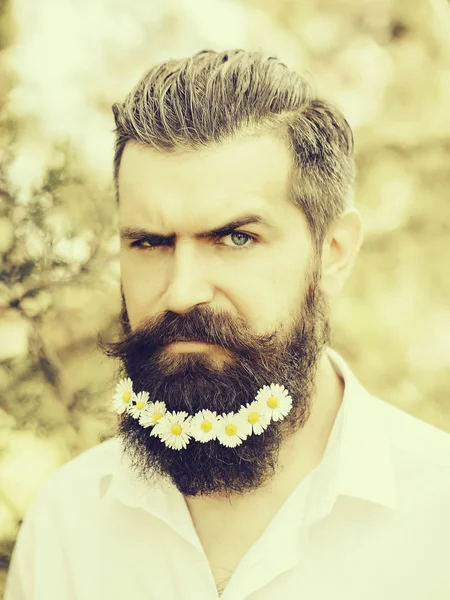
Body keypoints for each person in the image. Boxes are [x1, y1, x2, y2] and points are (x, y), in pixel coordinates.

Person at [5, 49, 450, 600]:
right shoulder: (66, 527)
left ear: (334, 252)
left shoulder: (439, 522)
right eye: (149, 242)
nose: (183, 290)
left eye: (236, 238)